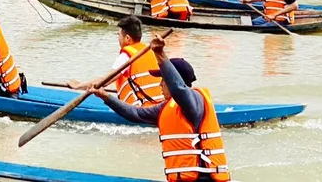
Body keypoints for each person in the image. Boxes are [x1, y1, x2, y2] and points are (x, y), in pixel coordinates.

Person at [90, 32, 231, 181]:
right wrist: (105, 96)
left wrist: (160, 54)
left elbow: (179, 88)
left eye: (163, 80)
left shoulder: (194, 101)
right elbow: (135, 114)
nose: (159, 85)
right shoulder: (166, 108)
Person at [67, 16, 164, 107]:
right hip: (159, 106)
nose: (118, 39)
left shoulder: (126, 56)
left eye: (119, 35)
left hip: (141, 110)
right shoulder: (150, 51)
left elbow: (104, 81)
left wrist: (78, 86)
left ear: (127, 38)